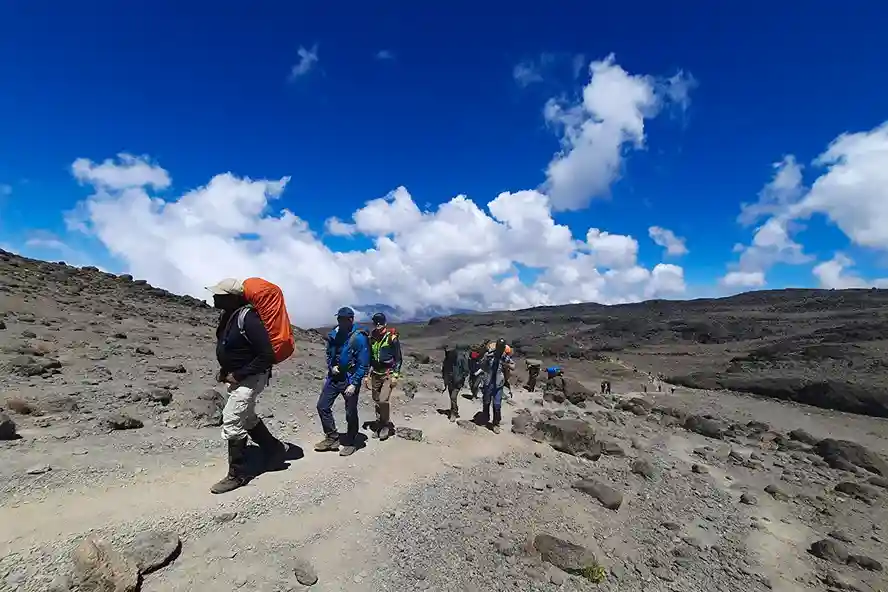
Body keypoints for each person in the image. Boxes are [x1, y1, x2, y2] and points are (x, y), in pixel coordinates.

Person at [208, 281, 288, 494]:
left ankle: (238, 474)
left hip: (252, 377)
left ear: (233, 297)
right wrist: (226, 370)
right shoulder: (229, 315)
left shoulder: (249, 318)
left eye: (220, 295)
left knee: (232, 418)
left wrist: (239, 374)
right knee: (247, 416)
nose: (214, 298)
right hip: (239, 376)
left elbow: (266, 355)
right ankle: (274, 450)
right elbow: (230, 346)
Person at [314, 307, 370, 456]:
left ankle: (351, 441)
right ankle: (332, 437)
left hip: (350, 378)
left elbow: (363, 363)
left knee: (350, 411)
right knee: (322, 406)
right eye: (338, 319)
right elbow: (329, 353)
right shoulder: (335, 334)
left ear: (350, 320)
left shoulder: (359, 337)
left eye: (342, 319)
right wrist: (331, 367)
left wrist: (354, 383)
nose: (339, 321)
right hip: (334, 377)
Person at [365, 312, 402, 440]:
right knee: (376, 399)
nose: (378, 325)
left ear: (385, 323)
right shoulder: (372, 338)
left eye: (380, 323)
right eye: (376, 323)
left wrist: (395, 375)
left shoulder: (391, 338)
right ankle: (380, 423)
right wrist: (366, 375)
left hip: (388, 373)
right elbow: (369, 357)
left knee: (383, 399)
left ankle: (386, 425)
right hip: (375, 373)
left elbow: (398, 358)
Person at [479, 338, 514, 433]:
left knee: (497, 404)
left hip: (498, 384)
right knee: (486, 402)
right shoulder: (489, 355)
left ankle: (496, 423)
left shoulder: (504, 357)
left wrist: (505, 364)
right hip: (488, 383)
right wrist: (485, 359)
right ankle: (485, 417)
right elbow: (482, 365)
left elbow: (513, 366)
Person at [442, 344, 470, 421]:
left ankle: (453, 413)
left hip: (458, 381)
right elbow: (444, 370)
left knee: (453, 397)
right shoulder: (447, 359)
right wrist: (445, 380)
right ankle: (454, 409)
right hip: (450, 381)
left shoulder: (461, 358)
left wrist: (461, 378)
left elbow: (466, 370)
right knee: (452, 397)